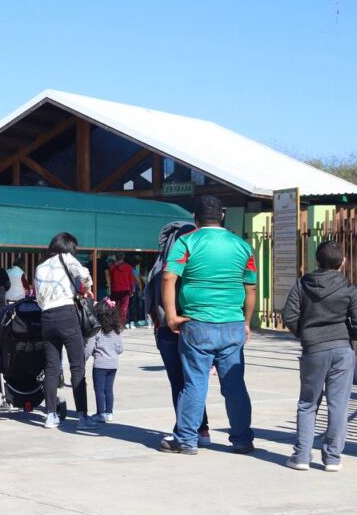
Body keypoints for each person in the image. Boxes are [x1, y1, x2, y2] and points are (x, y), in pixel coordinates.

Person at [160, 195, 257, 456]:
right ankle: (242, 439)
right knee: (235, 385)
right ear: (222, 216)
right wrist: (246, 321)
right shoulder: (242, 246)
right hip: (233, 324)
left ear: (195, 217)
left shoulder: (187, 241)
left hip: (197, 324)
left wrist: (171, 316)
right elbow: (250, 287)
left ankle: (187, 440)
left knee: (194, 383)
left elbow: (169, 277)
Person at [282, 240, 357, 472]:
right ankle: (332, 458)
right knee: (338, 405)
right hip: (342, 350)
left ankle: (301, 456)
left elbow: (289, 315)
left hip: (313, 350)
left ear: (316, 262)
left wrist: (305, 333)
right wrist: (345, 334)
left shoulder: (302, 285)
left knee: (308, 403)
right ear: (342, 263)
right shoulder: (349, 290)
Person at [143, 220, 212, 447]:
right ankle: (201, 430)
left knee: (180, 383)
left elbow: (154, 297)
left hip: (171, 328)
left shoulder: (162, 264)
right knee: (194, 382)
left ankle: (187, 431)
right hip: (197, 325)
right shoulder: (200, 261)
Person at [34, 232, 95, 429]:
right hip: (67, 315)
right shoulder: (67, 258)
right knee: (77, 366)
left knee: (52, 368)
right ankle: (82, 417)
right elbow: (85, 278)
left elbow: (39, 297)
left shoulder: (40, 267)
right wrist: (85, 289)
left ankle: (50, 415)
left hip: (46, 318)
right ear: (68, 247)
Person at [85, 299, 124, 423]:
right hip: (113, 364)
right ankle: (109, 413)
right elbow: (120, 349)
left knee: (99, 390)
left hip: (100, 365)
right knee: (109, 389)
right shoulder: (116, 331)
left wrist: (82, 359)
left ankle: (100, 413)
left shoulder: (96, 331)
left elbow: (89, 349)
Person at [107, 254, 134, 327]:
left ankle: (113, 322)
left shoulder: (112, 268)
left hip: (115, 289)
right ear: (124, 257)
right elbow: (131, 280)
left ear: (116, 257)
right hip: (125, 290)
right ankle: (121, 323)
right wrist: (131, 291)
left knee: (113, 306)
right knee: (124, 308)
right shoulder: (128, 267)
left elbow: (110, 278)